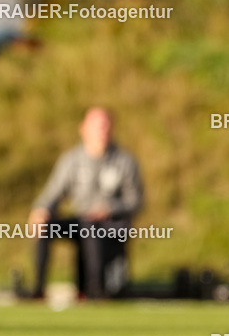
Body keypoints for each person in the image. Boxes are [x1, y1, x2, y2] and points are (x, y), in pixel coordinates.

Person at [26, 107, 143, 299]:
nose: (101, 131)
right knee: (46, 225)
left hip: (110, 225)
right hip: (81, 221)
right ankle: (38, 289)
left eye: (105, 126)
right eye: (97, 126)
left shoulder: (124, 161)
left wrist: (109, 208)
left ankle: (93, 290)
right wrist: (41, 209)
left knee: (91, 226)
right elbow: (52, 193)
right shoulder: (72, 160)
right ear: (83, 129)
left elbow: (136, 201)